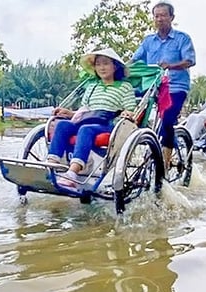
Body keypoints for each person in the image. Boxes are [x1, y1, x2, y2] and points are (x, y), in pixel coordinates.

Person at [46, 48, 138, 191]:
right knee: (63, 125)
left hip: (108, 123)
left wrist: (127, 113)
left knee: (85, 129)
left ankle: (73, 173)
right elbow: (84, 111)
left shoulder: (125, 87)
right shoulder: (92, 86)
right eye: (98, 64)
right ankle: (51, 164)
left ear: (114, 66)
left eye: (106, 63)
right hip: (86, 119)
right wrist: (69, 113)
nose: (102, 67)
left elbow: (130, 109)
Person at [132, 0, 196, 170]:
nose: (160, 19)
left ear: (171, 17)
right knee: (132, 114)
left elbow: (190, 60)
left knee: (167, 121)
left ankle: (164, 167)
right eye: (156, 16)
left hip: (176, 86)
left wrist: (171, 65)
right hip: (153, 87)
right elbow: (135, 59)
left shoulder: (182, 38)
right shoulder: (148, 41)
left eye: (163, 15)